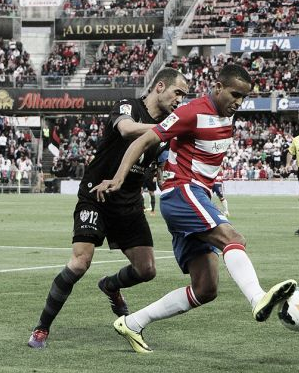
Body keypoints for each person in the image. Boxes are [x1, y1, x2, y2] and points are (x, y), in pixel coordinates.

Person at [91, 64, 297, 354]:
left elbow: (198, 157)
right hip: (182, 193)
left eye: (244, 98)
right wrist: (119, 177)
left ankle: (133, 323)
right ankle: (257, 299)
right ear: (218, 88)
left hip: (196, 195)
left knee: (205, 288)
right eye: (234, 94)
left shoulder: (225, 119)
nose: (238, 102)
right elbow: (145, 139)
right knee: (233, 239)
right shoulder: (192, 112)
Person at [27, 68, 188, 349]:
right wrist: (166, 130)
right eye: (178, 93)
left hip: (128, 203)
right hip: (96, 195)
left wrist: (164, 165)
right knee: (80, 262)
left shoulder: (166, 127)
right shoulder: (128, 106)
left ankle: (111, 286)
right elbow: (126, 129)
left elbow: (162, 158)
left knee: (147, 270)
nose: (180, 100)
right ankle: (42, 328)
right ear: (160, 86)